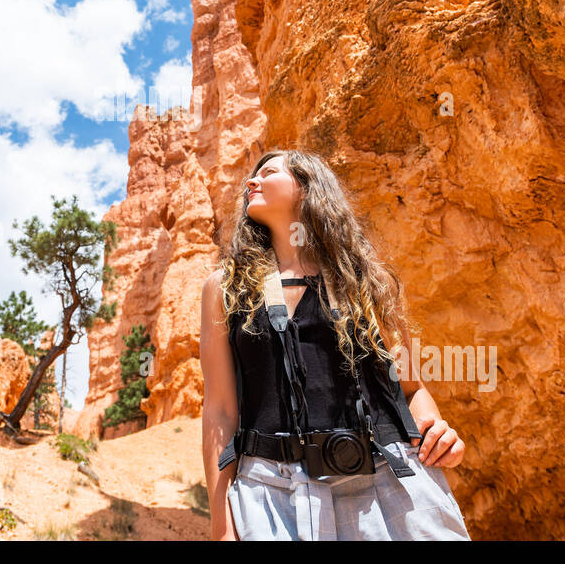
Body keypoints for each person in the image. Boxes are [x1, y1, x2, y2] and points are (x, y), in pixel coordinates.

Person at [200, 149, 472, 540]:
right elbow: (220, 411)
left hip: (388, 482)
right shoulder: (223, 288)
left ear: (307, 187)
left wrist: (439, 435)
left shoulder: (367, 280)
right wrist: (221, 526)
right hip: (270, 496)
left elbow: (411, 389)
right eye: (253, 176)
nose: (251, 182)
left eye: (270, 172)